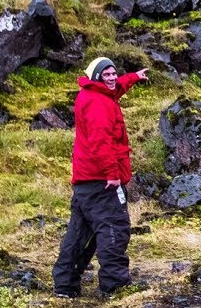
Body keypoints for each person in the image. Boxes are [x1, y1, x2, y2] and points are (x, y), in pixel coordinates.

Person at [52, 57, 149, 298]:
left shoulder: (93, 94)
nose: (113, 78)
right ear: (97, 77)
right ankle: (115, 285)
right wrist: (113, 175)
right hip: (102, 181)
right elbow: (101, 142)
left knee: (80, 233)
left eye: (114, 73)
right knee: (114, 228)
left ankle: (65, 284)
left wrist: (133, 77)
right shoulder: (99, 104)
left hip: (86, 182)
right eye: (106, 75)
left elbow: (115, 90)